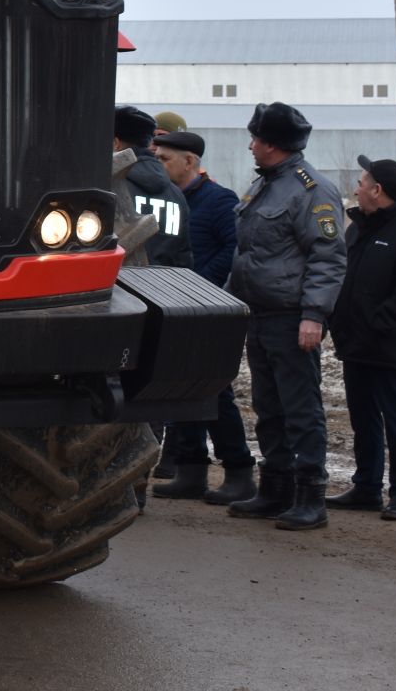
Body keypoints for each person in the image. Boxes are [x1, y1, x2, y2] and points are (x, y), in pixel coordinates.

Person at [225, 101, 346, 531]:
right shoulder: (265, 186)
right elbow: (249, 254)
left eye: (256, 138)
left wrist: (314, 315)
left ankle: (310, 495)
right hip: (259, 314)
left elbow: (328, 257)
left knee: (300, 408)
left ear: (273, 144)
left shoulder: (311, 190)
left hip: (291, 316)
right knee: (268, 407)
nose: (251, 145)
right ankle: (275, 488)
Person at [150, 130, 257, 504]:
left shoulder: (218, 200)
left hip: (209, 311)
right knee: (179, 389)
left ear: (190, 162)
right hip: (174, 310)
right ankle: (190, 470)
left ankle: (239, 470)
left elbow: (234, 249)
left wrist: (198, 285)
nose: (158, 164)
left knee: (214, 393)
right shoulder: (166, 200)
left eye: (164, 158)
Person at [326, 156, 396, 521]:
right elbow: (343, 278)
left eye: (361, 181)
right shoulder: (358, 227)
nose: (356, 188)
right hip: (355, 344)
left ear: (377, 190)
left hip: (387, 346)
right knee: (363, 418)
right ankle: (367, 487)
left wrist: (375, 324)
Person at [115, 106, 192, 271]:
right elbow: (183, 258)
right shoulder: (176, 194)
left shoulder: (108, 188)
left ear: (116, 144)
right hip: (161, 290)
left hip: (116, 288)